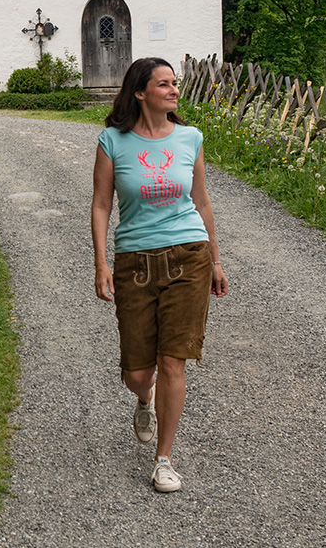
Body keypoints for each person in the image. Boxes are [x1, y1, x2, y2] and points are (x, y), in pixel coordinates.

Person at [91, 56, 228, 493]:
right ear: (140, 92)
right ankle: (143, 400)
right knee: (136, 371)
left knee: (174, 359)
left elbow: (202, 202)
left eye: (175, 84)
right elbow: (100, 205)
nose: (174, 90)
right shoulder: (113, 141)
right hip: (136, 260)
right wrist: (101, 262)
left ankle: (163, 459)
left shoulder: (190, 138)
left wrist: (217, 260)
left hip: (189, 255)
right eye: (164, 84)